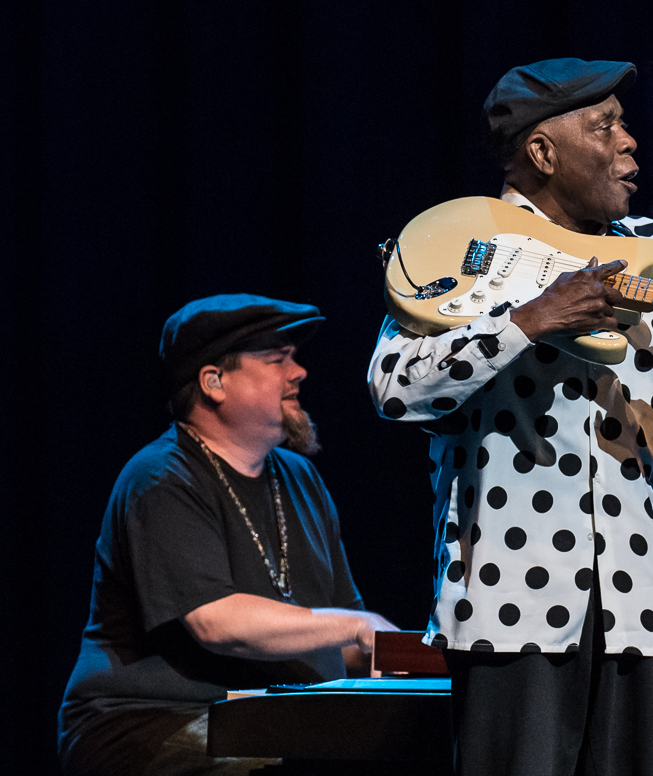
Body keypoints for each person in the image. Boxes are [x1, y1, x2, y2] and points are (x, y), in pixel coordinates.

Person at [369, 58, 653, 775]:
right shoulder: (467, 245)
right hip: (513, 604)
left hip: (636, 605)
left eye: (625, 124)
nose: (630, 142)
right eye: (605, 127)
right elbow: (392, 387)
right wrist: (527, 323)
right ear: (542, 152)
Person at [59, 294, 399, 776]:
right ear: (213, 382)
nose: (298, 372)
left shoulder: (301, 479)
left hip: (265, 713)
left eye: (294, 359)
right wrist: (357, 627)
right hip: (149, 722)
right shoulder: (161, 478)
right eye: (277, 359)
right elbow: (217, 622)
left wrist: (414, 663)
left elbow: (343, 643)